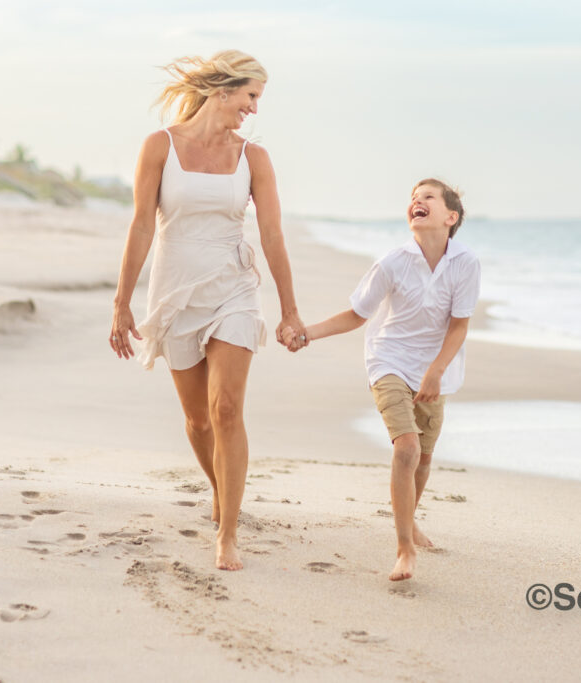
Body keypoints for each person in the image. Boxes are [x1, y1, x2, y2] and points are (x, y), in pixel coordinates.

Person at [109, 50, 306, 571]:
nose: (254, 109)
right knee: (197, 420)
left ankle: (228, 532)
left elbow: (271, 235)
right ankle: (223, 490)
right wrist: (121, 302)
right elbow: (142, 226)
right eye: (251, 96)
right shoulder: (160, 147)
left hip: (233, 286)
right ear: (222, 90)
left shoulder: (253, 159)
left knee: (225, 409)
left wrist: (289, 311)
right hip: (175, 289)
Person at [284, 179, 480, 581]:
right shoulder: (392, 262)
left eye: (427, 197)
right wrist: (307, 333)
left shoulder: (466, 263)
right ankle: (404, 548)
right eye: (413, 198)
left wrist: (436, 371)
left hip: (434, 369)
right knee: (406, 448)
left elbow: (459, 326)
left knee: (424, 459)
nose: (416, 202)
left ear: (450, 216)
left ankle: (409, 523)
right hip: (388, 360)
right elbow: (357, 315)